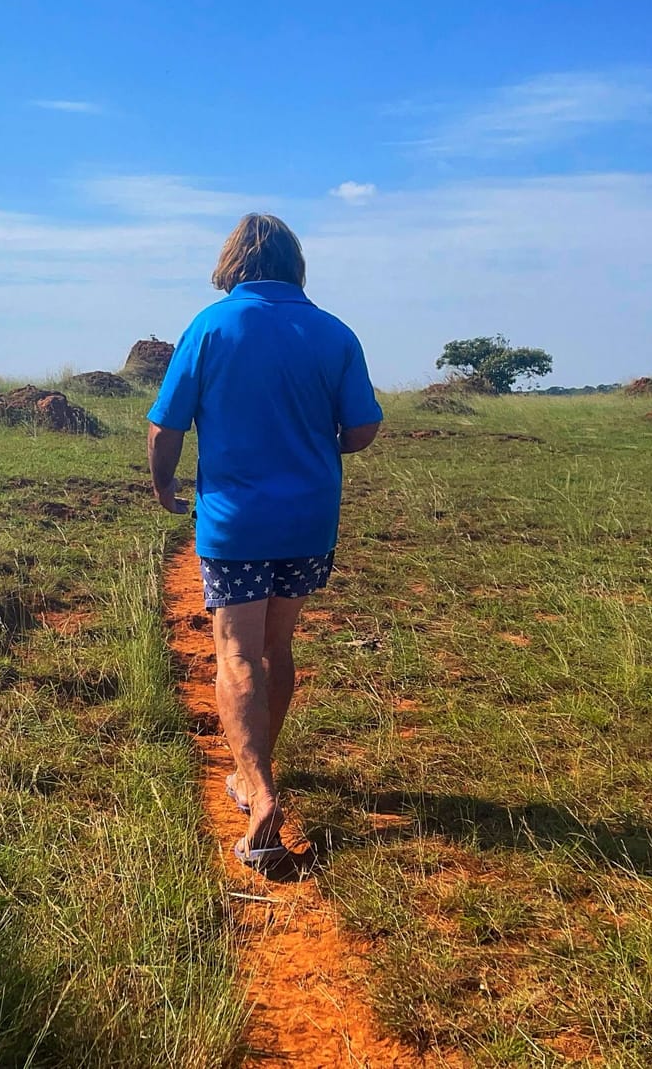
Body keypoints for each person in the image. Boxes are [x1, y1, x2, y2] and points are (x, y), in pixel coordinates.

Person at [146, 213, 383, 868]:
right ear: (293, 263)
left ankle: (258, 788)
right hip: (309, 520)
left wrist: (164, 485)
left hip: (235, 523)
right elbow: (362, 429)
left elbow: (166, 426)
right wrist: (314, 446)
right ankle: (256, 774)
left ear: (234, 263)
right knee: (277, 646)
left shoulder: (211, 326)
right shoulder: (333, 332)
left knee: (236, 652)